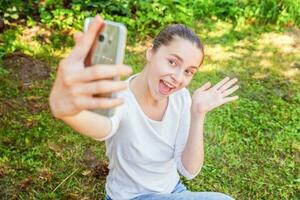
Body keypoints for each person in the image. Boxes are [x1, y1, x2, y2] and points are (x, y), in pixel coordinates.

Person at [49, 15, 239, 200]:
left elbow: (188, 170)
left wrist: (198, 114)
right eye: (172, 62)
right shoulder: (121, 97)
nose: (179, 77)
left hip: (173, 191)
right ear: (151, 53)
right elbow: (102, 127)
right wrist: (66, 111)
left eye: (189, 71)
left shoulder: (181, 97)